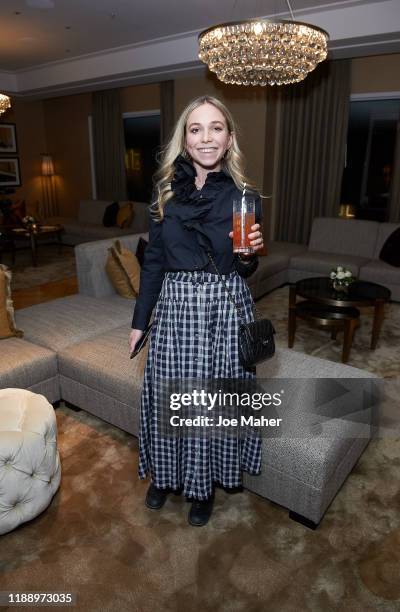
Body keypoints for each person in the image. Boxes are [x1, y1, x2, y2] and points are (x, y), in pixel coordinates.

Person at [129, 95, 264, 527]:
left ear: (229, 139)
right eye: (195, 128)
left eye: (216, 128)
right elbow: (153, 262)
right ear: (185, 141)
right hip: (175, 308)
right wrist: (139, 321)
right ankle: (165, 476)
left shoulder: (245, 197)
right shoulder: (165, 191)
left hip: (224, 309)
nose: (206, 137)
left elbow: (244, 266)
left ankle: (203, 483)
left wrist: (249, 255)